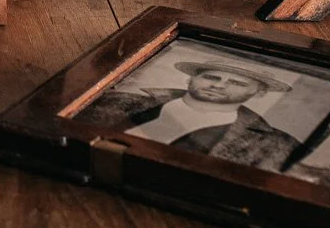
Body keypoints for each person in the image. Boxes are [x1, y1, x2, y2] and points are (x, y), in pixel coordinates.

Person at [80, 60, 300, 170]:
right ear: (190, 79)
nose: (220, 86)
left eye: (236, 83)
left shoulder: (275, 143)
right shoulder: (118, 100)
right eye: (212, 77)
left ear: (259, 92)